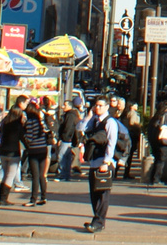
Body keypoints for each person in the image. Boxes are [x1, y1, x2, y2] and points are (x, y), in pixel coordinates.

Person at [80, 96, 126, 234]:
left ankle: (99, 222)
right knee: (94, 193)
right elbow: (80, 128)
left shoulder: (110, 122)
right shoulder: (94, 120)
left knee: (102, 194)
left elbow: (112, 142)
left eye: (100, 105)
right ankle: (97, 219)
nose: (97, 108)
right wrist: (88, 116)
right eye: (96, 105)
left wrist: (107, 161)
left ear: (107, 107)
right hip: (94, 161)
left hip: (105, 162)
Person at [22, 100, 51, 206]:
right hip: (43, 149)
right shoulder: (40, 121)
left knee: (35, 175)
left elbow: (29, 138)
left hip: (34, 150)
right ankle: (43, 197)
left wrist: (24, 136)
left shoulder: (30, 122)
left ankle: (33, 199)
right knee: (42, 175)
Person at [0, 99, 26, 205]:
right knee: (10, 176)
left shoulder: (5, 123)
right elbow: (23, 138)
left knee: (5, 174)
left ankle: (1, 198)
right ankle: (3, 199)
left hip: (3, 151)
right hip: (13, 152)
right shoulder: (18, 125)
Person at [56, 96, 82, 182]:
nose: (63, 107)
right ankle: (66, 175)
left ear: (70, 106)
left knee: (62, 157)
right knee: (67, 157)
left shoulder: (70, 115)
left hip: (66, 140)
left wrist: (63, 138)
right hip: (70, 140)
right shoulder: (72, 114)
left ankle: (63, 174)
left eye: (65, 105)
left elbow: (68, 128)